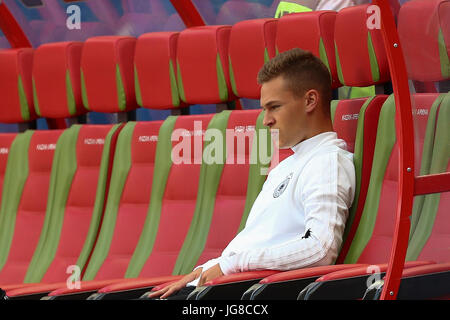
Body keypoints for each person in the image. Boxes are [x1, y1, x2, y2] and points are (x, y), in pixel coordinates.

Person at [149, 48, 356, 300]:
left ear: (310, 101)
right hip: (227, 289)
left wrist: (231, 266)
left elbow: (320, 249)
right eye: (264, 109)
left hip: (248, 294)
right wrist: (205, 269)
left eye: (274, 107)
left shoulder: (327, 162)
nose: (266, 120)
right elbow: (259, 240)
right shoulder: (285, 166)